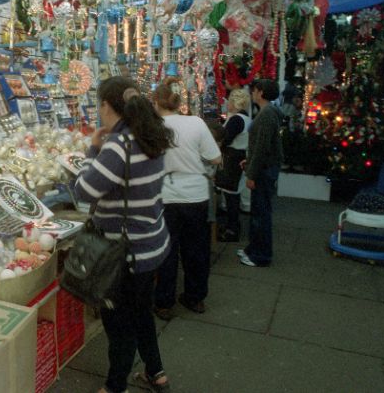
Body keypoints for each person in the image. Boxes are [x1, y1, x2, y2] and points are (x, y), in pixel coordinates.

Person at [73, 76, 174, 393]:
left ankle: (115, 386)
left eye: (98, 105)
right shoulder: (151, 135)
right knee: (142, 312)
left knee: (119, 324)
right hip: (151, 244)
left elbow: (83, 192)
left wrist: (92, 149)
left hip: (125, 253)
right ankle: (156, 372)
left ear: (106, 105)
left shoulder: (119, 145)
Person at [151, 78, 222, 319]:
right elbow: (215, 158)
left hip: (167, 195)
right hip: (196, 194)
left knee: (167, 251)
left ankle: (163, 302)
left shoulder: (153, 127)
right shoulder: (196, 123)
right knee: (197, 250)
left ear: (156, 102)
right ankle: (195, 298)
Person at [238, 79, 284, 267]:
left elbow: (262, 148)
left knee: (261, 213)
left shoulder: (266, 114)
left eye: (254, 90)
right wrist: (250, 162)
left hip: (264, 170)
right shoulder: (268, 112)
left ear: (261, 92)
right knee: (258, 211)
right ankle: (253, 248)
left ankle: (261, 256)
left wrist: (251, 174)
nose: (252, 93)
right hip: (265, 167)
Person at [215, 88, 252, 242]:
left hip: (232, 158)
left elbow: (226, 138)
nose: (227, 104)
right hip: (239, 156)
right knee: (233, 194)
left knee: (231, 195)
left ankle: (232, 229)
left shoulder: (236, 119)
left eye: (229, 101)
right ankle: (232, 227)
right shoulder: (246, 119)